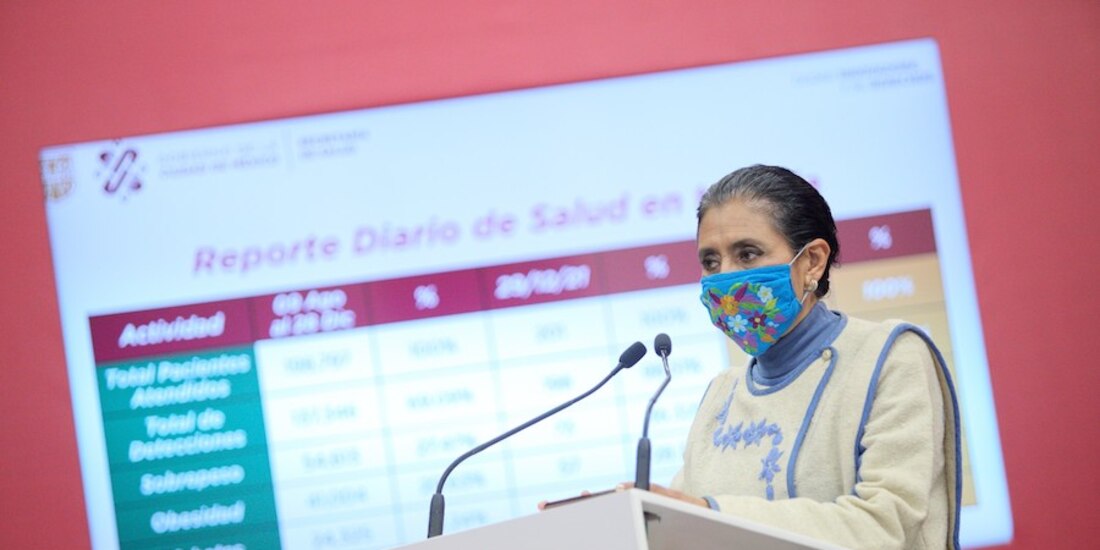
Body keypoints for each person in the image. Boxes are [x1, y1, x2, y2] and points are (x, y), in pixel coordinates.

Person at [643, 164, 962, 549]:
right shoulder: (720, 393)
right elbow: (682, 520)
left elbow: (884, 526)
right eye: (711, 262)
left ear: (812, 261)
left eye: (747, 254)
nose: (725, 277)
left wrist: (714, 513)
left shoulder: (889, 357)